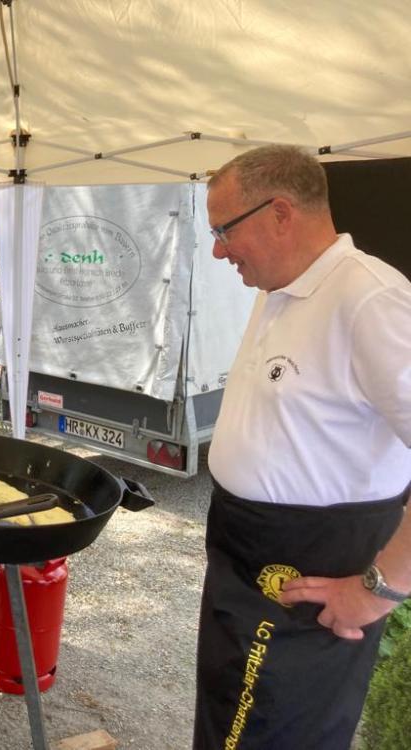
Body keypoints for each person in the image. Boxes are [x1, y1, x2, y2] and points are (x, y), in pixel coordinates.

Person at [194, 144, 411, 749]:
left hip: (309, 573)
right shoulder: (280, 286)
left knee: (275, 734)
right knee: (225, 722)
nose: (218, 249)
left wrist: (378, 589)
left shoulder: (371, 299)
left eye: (224, 229)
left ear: (281, 212)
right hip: (243, 553)